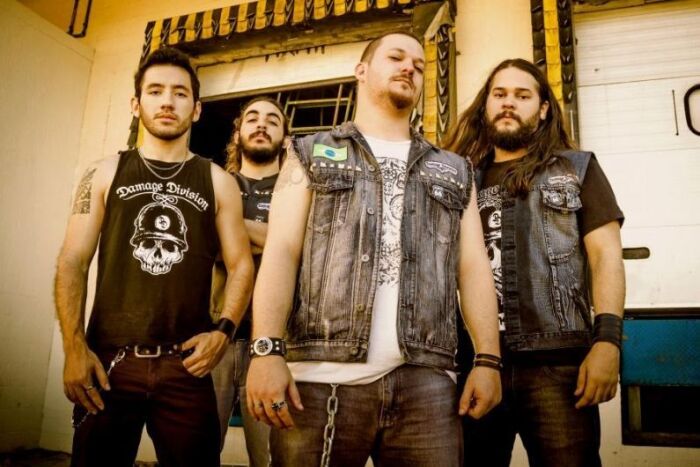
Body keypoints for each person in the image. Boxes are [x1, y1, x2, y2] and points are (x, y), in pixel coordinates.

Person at [245, 32, 502, 467]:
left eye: (418, 65)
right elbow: (282, 252)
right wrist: (265, 350)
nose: (409, 68)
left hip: (426, 381)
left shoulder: (455, 169)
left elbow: (474, 268)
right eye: (396, 57)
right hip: (318, 379)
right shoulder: (310, 152)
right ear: (361, 71)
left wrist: (488, 359)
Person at [54, 47, 254, 467]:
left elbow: (240, 264)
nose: (167, 102)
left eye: (180, 93)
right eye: (156, 91)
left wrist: (223, 331)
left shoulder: (219, 182)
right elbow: (73, 259)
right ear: (136, 104)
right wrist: (74, 347)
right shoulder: (104, 172)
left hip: (188, 366)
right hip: (108, 363)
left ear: (196, 109)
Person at [444, 58, 625, 467]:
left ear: (543, 109)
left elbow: (606, 256)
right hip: (476, 364)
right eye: (499, 94)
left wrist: (607, 341)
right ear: (486, 106)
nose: (509, 103)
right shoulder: (460, 180)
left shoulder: (577, 168)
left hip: (557, 366)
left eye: (522, 95)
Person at [210, 96, 288, 465]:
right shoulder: (215, 184)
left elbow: (298, 246)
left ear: (285, 138)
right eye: (253, 118)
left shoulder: (295, 191)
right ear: (238, 133)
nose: (262, 125)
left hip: (275, 345)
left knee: (271, 458)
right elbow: (204, 244)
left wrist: (229, 227)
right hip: (216, 338)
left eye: (273, 120)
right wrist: (273, 239)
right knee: (197, 451)